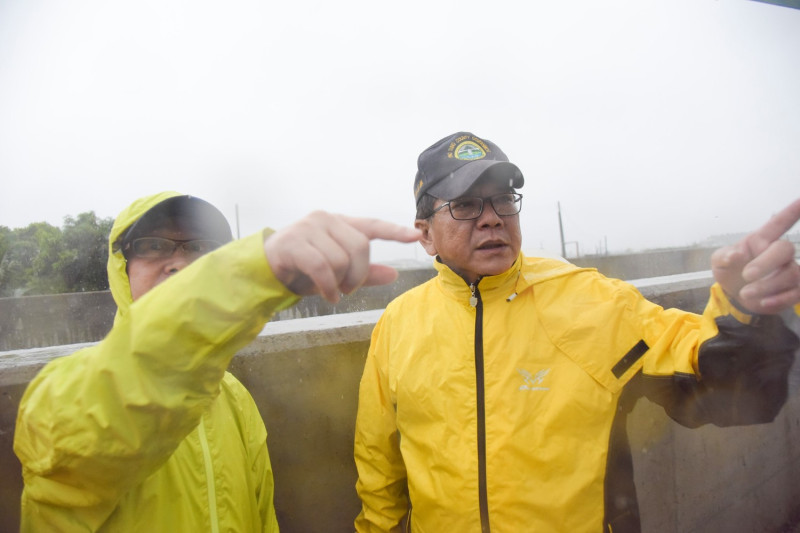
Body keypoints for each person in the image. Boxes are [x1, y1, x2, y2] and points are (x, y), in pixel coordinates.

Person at [353, 131, 800, 532]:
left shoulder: (592, 302)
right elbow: (379, 462)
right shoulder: (398, 324)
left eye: (504, 200)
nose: (492, 219)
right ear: (426, 235)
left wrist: (746, 313)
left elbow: (733, 388)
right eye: (466, 205)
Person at [13, 191, 420, 532]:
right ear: (121, 266)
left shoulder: (233, 396)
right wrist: (251, 275)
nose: (178, 262)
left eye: (200, 248)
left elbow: (261, 514)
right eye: (152, 246)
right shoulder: (64, 396)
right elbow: (110, 405)